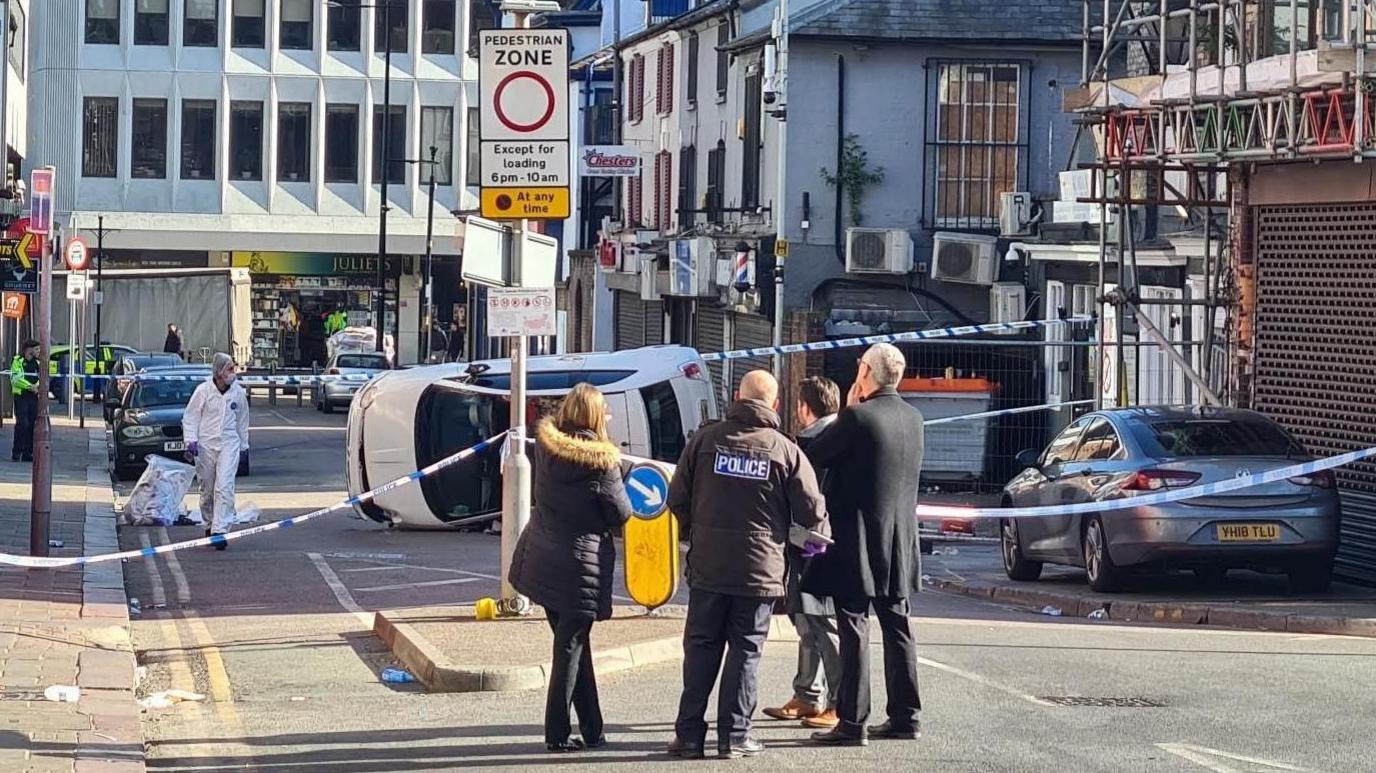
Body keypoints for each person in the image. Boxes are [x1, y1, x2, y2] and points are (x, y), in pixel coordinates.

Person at [667, 370, 829, 760]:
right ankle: (735, 736)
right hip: (759, 572)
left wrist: (696, 533)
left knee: (702, 648)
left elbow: (677, 498)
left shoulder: (705, 440)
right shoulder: (786, 450)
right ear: (774, 405)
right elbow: (812, 513)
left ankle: (689, 735)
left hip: (708, 566)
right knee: (746, 651)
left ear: (737, 397)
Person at [804, 343, 925, 747]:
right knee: (898, 628)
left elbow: (815, 456)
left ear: (865, 372)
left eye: (859, 368)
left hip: (857, 538)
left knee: (853, 627)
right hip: (899, 539)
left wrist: (849, 406)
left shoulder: (856, 417)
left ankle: (852, 722)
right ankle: (906, 717)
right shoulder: (914, 418)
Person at [509, 383, 632, 753]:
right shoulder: (601, 462)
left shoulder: (547, 447)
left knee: (575, 646)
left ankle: (593, 730)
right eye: (605, 410)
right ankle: (557, 734)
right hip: (580, 568)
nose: (608, 415)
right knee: (570, 649)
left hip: (543, 556)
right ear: (594, 416)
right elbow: (621, 512)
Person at [763, 376, 843, 729]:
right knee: (808, 624)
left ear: (805, 408)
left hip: (814, 546)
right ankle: (808, 695)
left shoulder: (814, 445)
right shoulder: (834, 439)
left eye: (798, 404)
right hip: (814, 544)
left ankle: (837, 703)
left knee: (822, 625)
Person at [182, 353, 250, 551]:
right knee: (208, 488)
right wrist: (191, 440)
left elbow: (242, 421)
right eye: (229, 369)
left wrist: (244, 445)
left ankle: (220, 530)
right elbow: (191, 416)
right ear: (219, 373)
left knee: (224, 486)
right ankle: (209, 523)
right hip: (206, 445)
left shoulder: (238, 393)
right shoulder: (203, 391)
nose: (233, 373)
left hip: (229, 443)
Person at [9, 340, 39, 462]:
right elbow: (16, 379)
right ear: (29, 350)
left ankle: (28, 452)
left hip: (33, 397)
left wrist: (37, 386)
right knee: (23, 423)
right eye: (36, 349)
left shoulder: (38, 363)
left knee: (32, 424)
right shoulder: (17, 361)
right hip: (21, 397)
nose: (39, 351)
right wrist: (30, 387)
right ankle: (17, 451)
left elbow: (43, 376)